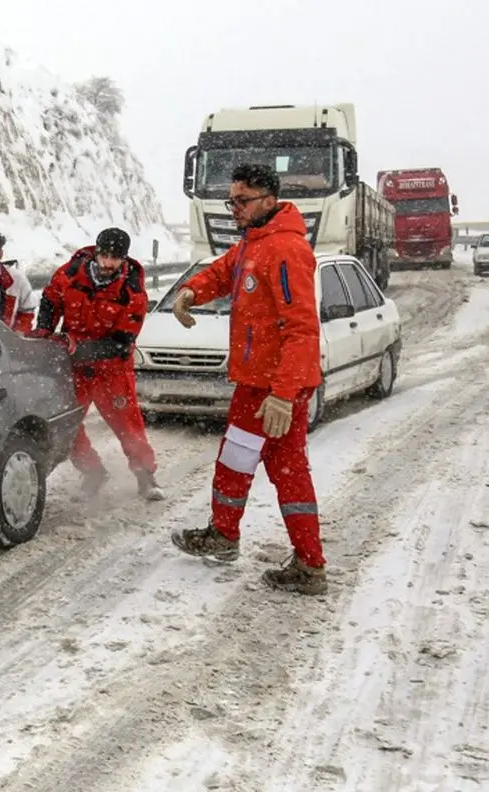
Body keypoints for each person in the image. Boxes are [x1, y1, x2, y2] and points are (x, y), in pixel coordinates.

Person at [167, 163, 327, 595]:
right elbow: (221, 273)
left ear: (269, 201)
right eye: (231, 201)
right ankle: (306, 563)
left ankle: (227, 536)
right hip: (262, 383)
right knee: (283, 471)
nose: (234, 208)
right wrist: (190, 292)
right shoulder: (254, 243)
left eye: (242, 200)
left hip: (272, 387)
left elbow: (302, 329)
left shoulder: (286, 250)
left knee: (244, 464)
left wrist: (283, 394)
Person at [31, 227, 164, 501]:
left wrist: (78, 346)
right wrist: (44, 331)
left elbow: (122, 342)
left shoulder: (132, 292)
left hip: (112, 370)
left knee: (129, 427)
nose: (107, 263)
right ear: (96, 253)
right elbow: (50, 299)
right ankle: (92, 471)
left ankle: (145, 475)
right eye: (104, 256)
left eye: (114, 258)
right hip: (74, 369)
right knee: (66, 426)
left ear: (124, 259)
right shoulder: (70, 274)